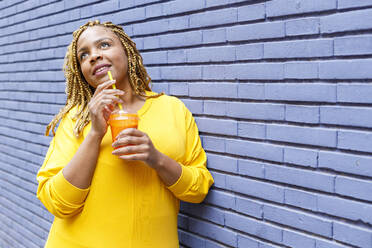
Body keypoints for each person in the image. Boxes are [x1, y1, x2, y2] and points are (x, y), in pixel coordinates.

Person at [36, 20, 214, 248]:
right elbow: (56, 203)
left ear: (127, 51)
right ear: (81, 71)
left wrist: (156, 159)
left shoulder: (173, 110)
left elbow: (198, 190)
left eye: (104, 45)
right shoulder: (76, 120)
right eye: (83, 55)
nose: (94, 56)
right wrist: (95, 135)